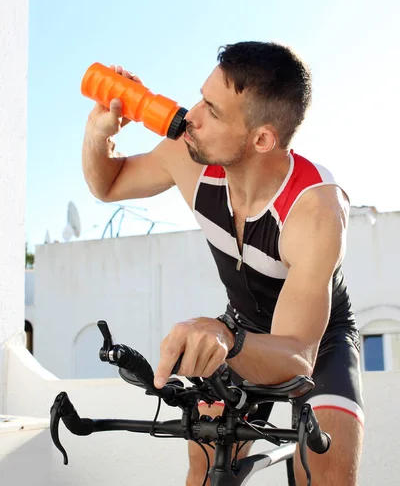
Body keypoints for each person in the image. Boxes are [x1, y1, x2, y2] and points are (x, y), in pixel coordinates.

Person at [82, 41, 364, 485]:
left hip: (316, 342)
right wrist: (100, 134)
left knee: (324, 471)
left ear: (262, 138)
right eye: (201, 97)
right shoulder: (186, 154)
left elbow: (297, 355)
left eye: (212, 111)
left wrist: (227, 340)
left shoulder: (315, 211)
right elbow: (108, 185)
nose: (190, 115)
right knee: (207, 467)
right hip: (238, 326)